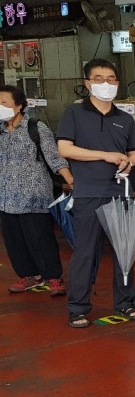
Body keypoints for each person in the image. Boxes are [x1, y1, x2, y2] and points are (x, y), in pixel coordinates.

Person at [56, 59, 135, 328]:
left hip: (121, 193)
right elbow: (65, 149)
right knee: (85, 253)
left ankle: (125, 303)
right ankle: (78, 308)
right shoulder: (73, 113)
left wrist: (130, 162)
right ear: (87, 83)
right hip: (88, 193)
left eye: (111, 79)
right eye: (98, 78)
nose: (105, 84)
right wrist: (104, 156)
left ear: (117, 83)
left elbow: (134, 153)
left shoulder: (124, 118)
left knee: (124, 252)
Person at [0, 85, 72, 296]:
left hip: (34, 195)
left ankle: (53, 277)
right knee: (14, 240)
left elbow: (54, 157)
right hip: (5, 196)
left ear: (19, 105)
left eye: (4, 102)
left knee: (40, 238)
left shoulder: (35, 127)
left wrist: (70, 180)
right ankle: (28, 275)